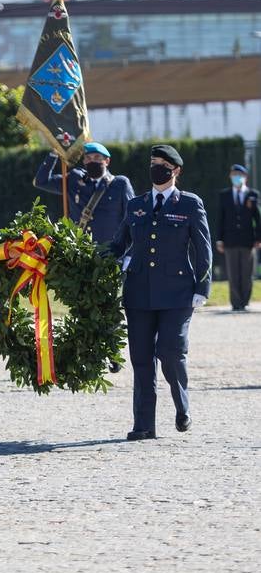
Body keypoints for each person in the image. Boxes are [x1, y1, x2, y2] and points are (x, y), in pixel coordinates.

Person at [108, 145, 211, 440]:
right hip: (139, 293)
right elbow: (119, 243)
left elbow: (203, 248)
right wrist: (92, 259)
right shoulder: (136, 205)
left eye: (163, 164)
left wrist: (201, 287)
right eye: (153, 163)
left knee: (170, 351)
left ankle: (182, 406)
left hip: (177, 294)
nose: (157, 168)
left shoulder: (189, 204)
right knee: (141, 359)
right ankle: (143, 425)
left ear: (176, 170)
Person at [33, 142, 133, 245]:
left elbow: (132, 220)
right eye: (88, 158)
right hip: (81, 253)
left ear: (107, 161)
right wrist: (54, 153)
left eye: (97, 157)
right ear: (84, 161)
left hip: (112, 254)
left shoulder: (120, 184)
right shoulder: (74, 180)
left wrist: (128, 256)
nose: (92, 161)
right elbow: (41, 181)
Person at [216, 164, 260, 312]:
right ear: (230, 177)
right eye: (233, 174)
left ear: (245, 177)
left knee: (247, 273)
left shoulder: (253, 194)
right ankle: (236, 303)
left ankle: (245, 301)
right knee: (233, 273)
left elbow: (258, 218)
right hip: (230, 240)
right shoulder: (224, 195)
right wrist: (219, 239)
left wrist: (259, 238)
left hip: (248, 241)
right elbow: (220, 218)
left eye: (239, 174)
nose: (236, 177)